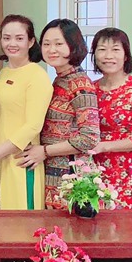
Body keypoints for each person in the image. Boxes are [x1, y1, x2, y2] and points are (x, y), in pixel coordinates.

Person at [0, 15, 52, 210]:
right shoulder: (2, 73)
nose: (12, 44)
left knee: (20, 222)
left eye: (19, 38)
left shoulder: (37, 75)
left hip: (19, 161)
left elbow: (33, 125)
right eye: (6, 38)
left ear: (31, 42)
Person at [24, 19, 99, 210]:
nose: (51, 50)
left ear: (73, 45)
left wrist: (45, 151)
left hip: (71, 176)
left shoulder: (80, 84)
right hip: (53, 171)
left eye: (59, 44)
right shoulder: (59, 80)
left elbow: (90, 138)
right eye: (46, 44)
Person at [89, 28, 132, 209]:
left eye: (115, 50)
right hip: (95, 168)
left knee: (131, 223)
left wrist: (105, 146)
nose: (108, 56)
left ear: (126, 55)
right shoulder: (90, 90)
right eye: (102, 49)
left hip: (131, 170)